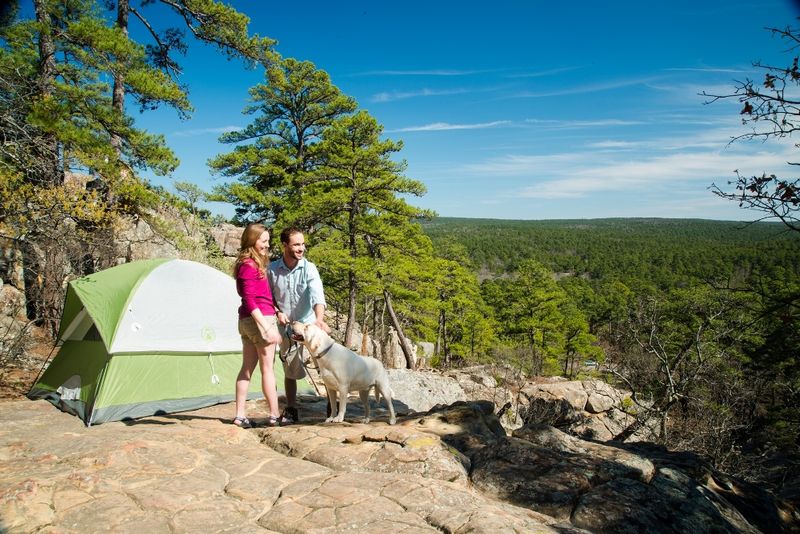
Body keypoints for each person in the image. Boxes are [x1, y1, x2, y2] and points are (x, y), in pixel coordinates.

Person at [269, 227, 330, 424]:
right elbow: (268, 298)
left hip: (310, 325)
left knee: (324, 365)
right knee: (290, 369)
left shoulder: (309, 268)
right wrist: (277, 312)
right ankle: (292, 409)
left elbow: (317, 294)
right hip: (287, 328)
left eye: (303, 244)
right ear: (284, 245)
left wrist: (319, 319)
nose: (301, 248)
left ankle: (332, 404)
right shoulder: (271, 270)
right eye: (296, 244)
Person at [233, 223, 284, 428]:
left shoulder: (249, 263)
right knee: (267, 369)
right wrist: (266, 327)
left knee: (247, 368)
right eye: (263, 241)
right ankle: (274, 414)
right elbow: (250, 300)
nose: (267, 245)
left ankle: (240, 415)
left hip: (248, 321)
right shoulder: (249, 265)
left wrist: (278, 312)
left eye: (268, 241)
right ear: (252, 240)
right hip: (258, 319)